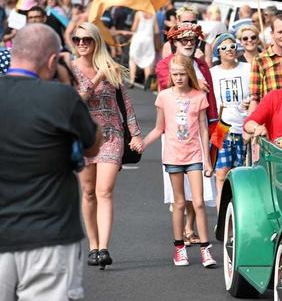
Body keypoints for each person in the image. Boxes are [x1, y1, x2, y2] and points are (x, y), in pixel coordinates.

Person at [0, 24, 101, 301]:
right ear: (52, 60)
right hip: (50, 236)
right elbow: (93, 143)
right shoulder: (61, 98)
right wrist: (68, 85)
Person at [70, 22, 143, 269]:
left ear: (96, 42)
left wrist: (136, 135)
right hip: (83, 137)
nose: (81, 43)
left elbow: (126, 104)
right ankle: (92, 245)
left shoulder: (112, 69)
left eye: (86, 39)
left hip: (112, 135)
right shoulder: (70, 70)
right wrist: (98, 76)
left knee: (104, 191)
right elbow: (77, 101)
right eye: (77, 39)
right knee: (88, 192)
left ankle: (104, 248)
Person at [142, 55, 217, 268]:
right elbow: (159, 128)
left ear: (189, 74)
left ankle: (205, 249)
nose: (178, 77)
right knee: (179, 203)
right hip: (173, 155)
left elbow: (203, 128)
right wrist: (142, 143)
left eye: (182, 74)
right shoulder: (164, 96)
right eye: (174, 74)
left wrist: (207, 160)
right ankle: (179, 248)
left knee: (199, 202)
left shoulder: (199, 96)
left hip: (195, 155)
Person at [156, 22, 219, 246]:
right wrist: (194, 83)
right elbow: (168, 85)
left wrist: (216, 129)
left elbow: (210, 100)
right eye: (184, 40)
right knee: (178, 191)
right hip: (176, 132)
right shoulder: (165, 65)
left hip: (202, 129)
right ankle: (181, 229)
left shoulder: (202, 64)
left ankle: (190, 227)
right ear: (174, 42)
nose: (189, 43)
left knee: (200, 188)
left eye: (193, 40)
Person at [209, 33, 251, 209]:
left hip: (243, 127)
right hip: (220, 127)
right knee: (220, 175)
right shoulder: (212, 73)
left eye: (232, 46)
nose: (230, 50)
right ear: (218, 52)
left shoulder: (247, 68)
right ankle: (221, 220)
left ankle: (235, 216)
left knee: (239, 175)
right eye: (224, 47)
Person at [248, 13, 282, 111]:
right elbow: (255, 98)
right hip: (271, 117)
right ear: (272, 34)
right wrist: (251, 123)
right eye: (280, 32)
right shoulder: (259, 60)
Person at [129, 11, 159, 87]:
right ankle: (147, 81)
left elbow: (134, 28)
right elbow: (156, 30)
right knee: (148, 61)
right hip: (148, 40)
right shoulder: (153, 14)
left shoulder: (138, 13)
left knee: (133, 60)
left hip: (137, 39)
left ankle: (132, 81)